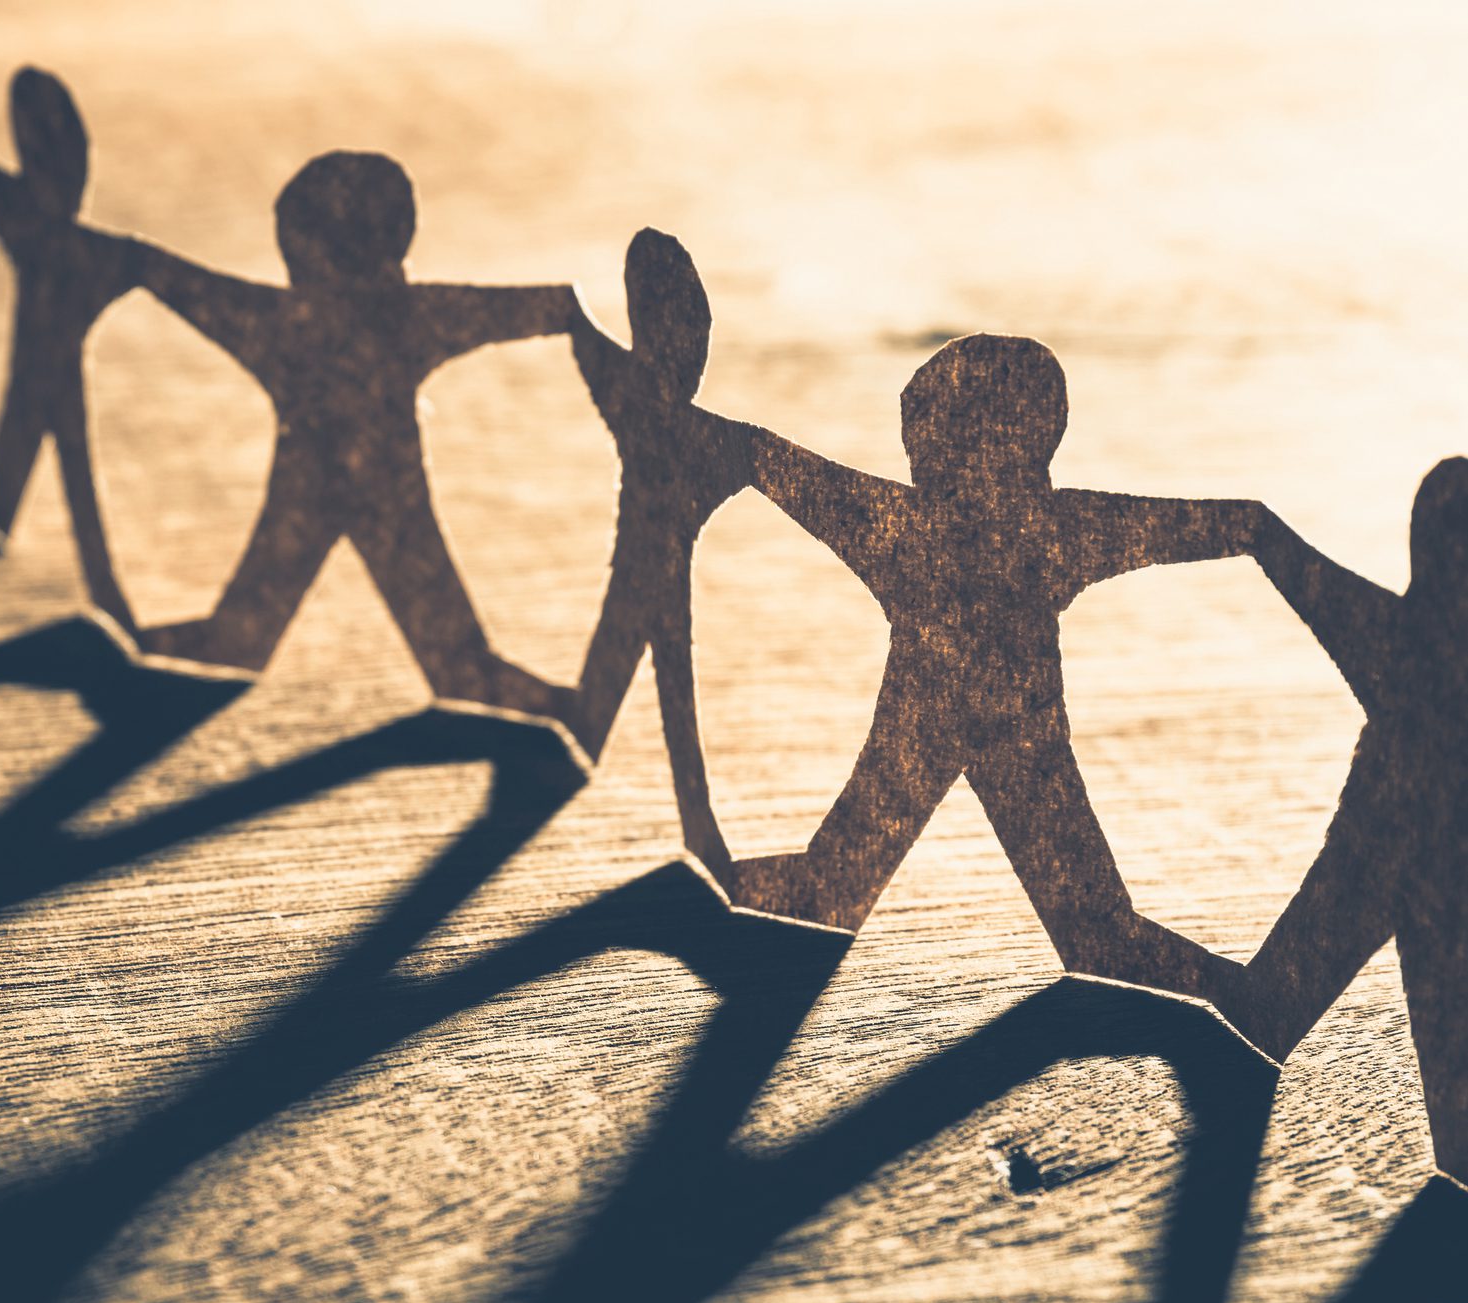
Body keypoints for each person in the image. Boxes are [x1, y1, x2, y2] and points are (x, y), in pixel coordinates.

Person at [728, 333, 1271, 992]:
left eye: (923, 438)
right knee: (1093, 932)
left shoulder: (909, 525)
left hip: (942, 730)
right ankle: (1239, 995)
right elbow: (1225, 525)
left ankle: (1237, 994)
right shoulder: (1057, 527)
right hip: (1017, 737)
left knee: (834, 886)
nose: (914, 455)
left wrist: (721, 444)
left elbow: (774, 465)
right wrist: (1265, 537)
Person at [1100, 460, 1468, 1180]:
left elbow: (1288, 559)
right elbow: (1285, 556)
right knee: (1443, 1080)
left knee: (1269, 1015)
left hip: (1372, 854)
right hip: (1435, 871)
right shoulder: (1393, 638)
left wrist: (1259, 532)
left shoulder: (1391, 637)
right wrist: (1263, 535)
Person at [129, 150, 576, 719]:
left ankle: (141, 658)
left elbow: (196, 290)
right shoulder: (410, 315)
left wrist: (136, 265)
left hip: (314, 492)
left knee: (244, 635)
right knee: (448, 653)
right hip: (386, 495)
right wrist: (578, 320)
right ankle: (547, 705)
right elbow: (534, 309)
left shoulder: (288, 323)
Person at [559, 227, 763, 877]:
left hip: (644, 571)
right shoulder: (711, 435)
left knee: (623, 676)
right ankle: (696, 829)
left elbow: (573, 328)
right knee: (666, 693)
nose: (691, 351)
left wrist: (560, 307)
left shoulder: (641, 397)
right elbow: (792, 473)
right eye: (681, 334)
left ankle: (578, 750)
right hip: (652, 575)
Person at [0, 67, 140, 619]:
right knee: (62, 477)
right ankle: (105, 595)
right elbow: (159, 271)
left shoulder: (23, 217)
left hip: (39, 370)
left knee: (41, 475)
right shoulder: (75, 242)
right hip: (43, 371)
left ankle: (103, 594)